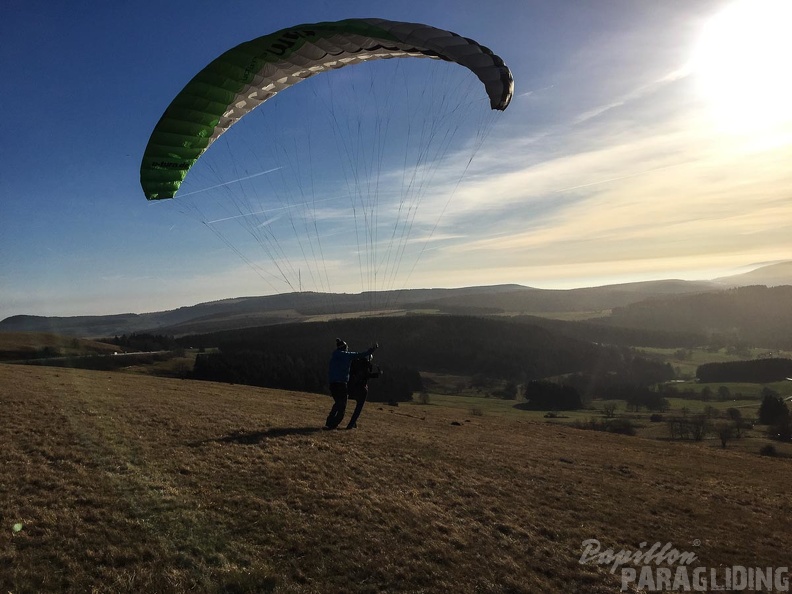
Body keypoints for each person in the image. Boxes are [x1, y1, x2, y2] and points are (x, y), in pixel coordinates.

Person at [325, 338, 378, 429]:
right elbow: (360, 354)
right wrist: (372, 350)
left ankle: (329, 422)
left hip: (332, 383)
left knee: (338, 403)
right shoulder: (346, 355)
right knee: (342, 406)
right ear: (345, 348)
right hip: (341, 384)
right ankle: (332, 425)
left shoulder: (334, 356)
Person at [346, 353, 380, 429]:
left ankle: (353, 423)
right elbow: (366, 375)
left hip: (351, 387)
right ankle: (351, 423)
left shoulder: (355, 363)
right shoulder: (366, 365)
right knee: (359, 407)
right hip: (361, 388)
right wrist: (376, 375)